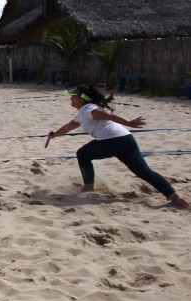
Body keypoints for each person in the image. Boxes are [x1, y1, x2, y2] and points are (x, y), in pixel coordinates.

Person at [48, 84, 189, 209]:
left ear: (82, 98)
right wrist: (54, 135)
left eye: (73, 96)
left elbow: (106, 115)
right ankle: (175, 197)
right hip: (126, 139)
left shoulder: (87, 109)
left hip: (111, 140)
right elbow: (68, 127)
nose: (70, 98)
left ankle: (88, 187)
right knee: (144, 172)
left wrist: (129, 122)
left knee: (82, 154)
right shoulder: (81, 114)